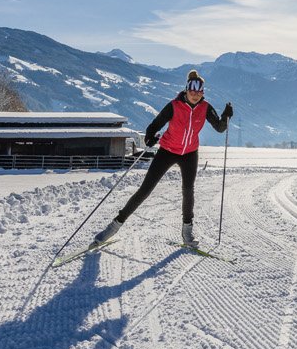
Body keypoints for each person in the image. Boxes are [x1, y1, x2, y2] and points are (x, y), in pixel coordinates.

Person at [91, 70, 232, 247]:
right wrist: (150, 137)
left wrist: (226, 116)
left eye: (199, 92)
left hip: (189, 153)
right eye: (192, 91)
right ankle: (114, 226)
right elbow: (155, 124)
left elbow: (219, 128)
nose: (195, 95)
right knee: (145, 190)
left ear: (202, 93)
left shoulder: (205, 108)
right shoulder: (174, 105)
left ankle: (187, 232)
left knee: (188, 191)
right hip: (167, 150)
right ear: (186, 90)